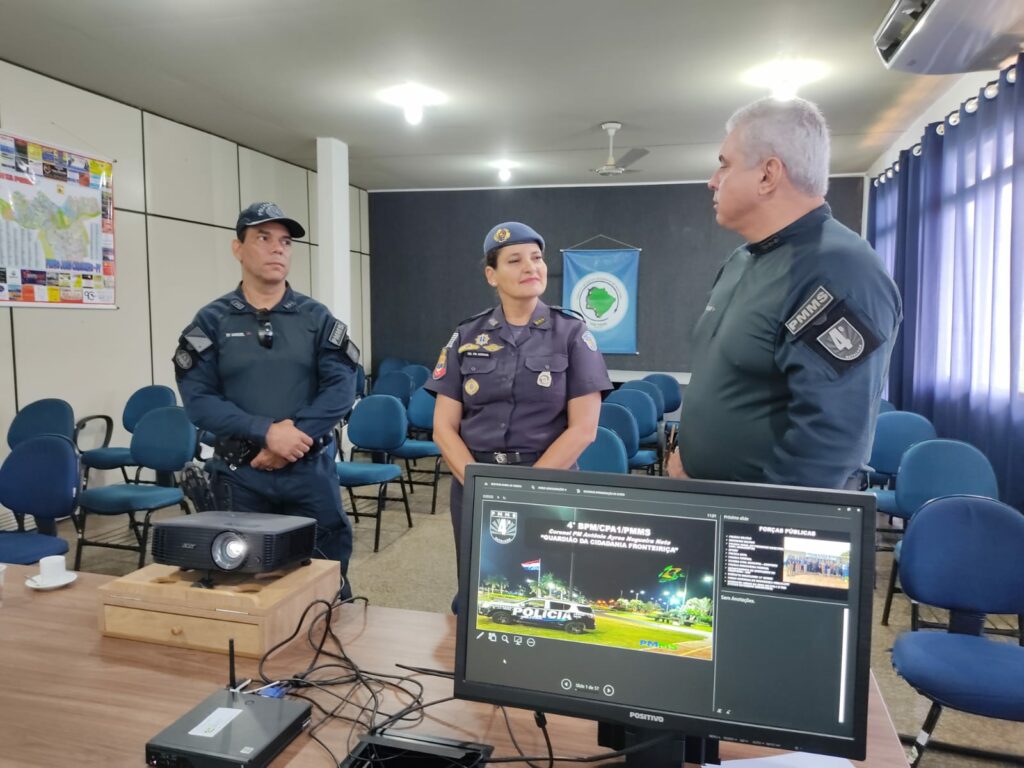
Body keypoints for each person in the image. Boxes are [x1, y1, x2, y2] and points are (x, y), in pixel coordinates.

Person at [669, 97, 902, 490]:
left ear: (768, 174)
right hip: (711, 505)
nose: (713, 180)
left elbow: (830, 437)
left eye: (724, 164)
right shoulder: (742, 260)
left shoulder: (836, 269)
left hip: (764, 524)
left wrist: (758, 521)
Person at [174, 201, 360, 593]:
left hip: (309, 472)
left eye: (286, 242)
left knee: (325, 579)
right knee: (240, 580)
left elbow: (342, 387)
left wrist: (291, 439)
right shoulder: (212, 320)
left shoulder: (316, 318)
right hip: (240, 476)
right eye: (263, 238)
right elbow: (199, 399)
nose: (278, 249)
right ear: (237, 248)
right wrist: (265, 432)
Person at [424, 221, 613, 589]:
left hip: (548, 480)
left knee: (547, 585)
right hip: (475, 479)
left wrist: (524, 490)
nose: (531, 267)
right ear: (491, 275)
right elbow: (443, 427)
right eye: (515, 260)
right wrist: (480, 484)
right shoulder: (465, 335)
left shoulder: (572, 333)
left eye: (537, 258)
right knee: (478, 586)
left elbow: (584, 429)